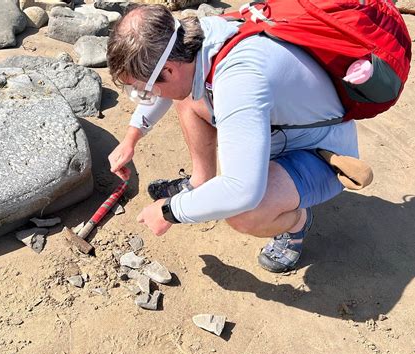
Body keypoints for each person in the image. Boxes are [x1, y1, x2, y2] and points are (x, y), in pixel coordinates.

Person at [106, 4, 359, 273]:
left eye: (144, 91)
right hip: (279, 127)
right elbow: (167, 88)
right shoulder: (195, 39)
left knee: (244, 213)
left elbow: (242, 191)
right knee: (187, 95)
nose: (148, 96)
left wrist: (169, 211)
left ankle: (297, 223)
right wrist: (131, 137)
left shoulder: (239, 79)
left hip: (319, 151)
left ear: (168, 70)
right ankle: (200, 182)